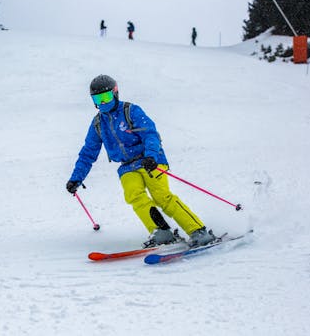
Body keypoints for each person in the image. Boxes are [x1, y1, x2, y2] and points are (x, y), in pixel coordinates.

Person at [66, 74, 216, 248]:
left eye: (106, 97)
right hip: (127, 166)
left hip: (150, 160)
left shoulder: (131, 111)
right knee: (134, 195)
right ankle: (161, 232)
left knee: (162, 197)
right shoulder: (98, 123)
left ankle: (198, 230)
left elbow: (150, 134)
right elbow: (88, 153)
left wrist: (151, 155)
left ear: (115, 93)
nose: (103, 103)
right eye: (98, 99)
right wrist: (77, 178)